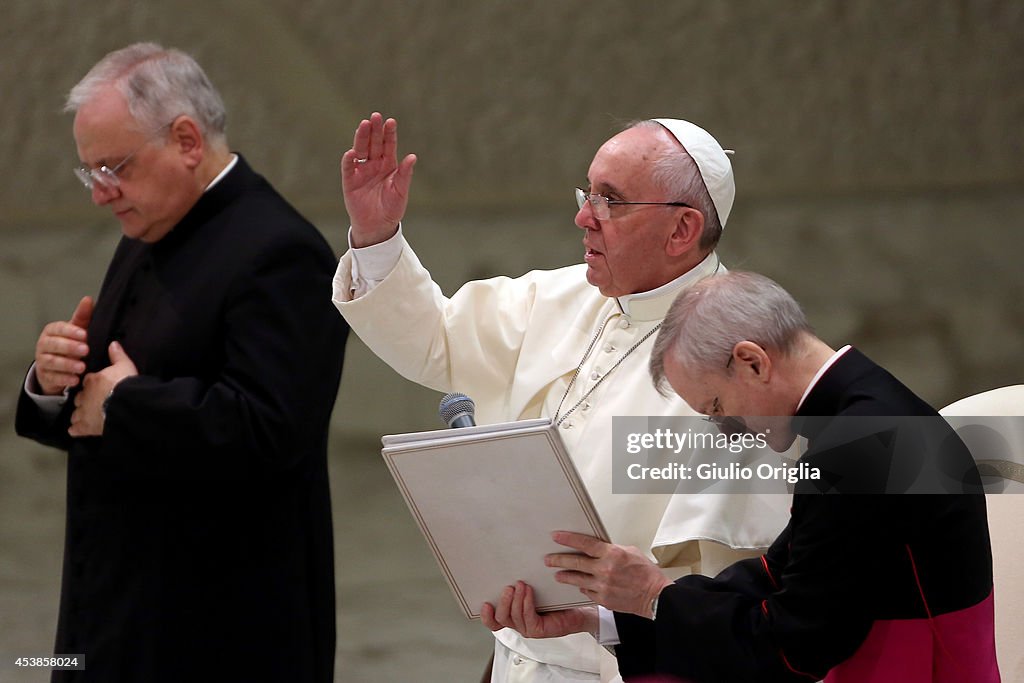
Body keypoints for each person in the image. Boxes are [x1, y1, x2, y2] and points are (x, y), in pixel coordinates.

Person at [332, 114, 790, 682]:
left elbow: (738, 574)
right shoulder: (554, 294)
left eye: (610, 201)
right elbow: (437, 340)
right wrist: (377, 236)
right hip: (514, 660)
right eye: (587, 193)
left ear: (681, 230)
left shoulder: (740, 359)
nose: (583, 217)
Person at [15, 43, 348, 683]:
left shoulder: (280, 251)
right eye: (89, 173)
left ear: (187, 140)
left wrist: (124, 403)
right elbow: (100, 408)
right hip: (115, 607)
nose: (100, 194)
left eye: (113, 166)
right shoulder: (150, 228)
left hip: (221, 629)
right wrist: (52, 383)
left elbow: (273, 428)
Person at [483, 271, 999, 682]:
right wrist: (610, 614)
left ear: (752, 362)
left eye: (717, 405)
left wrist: (655, 597)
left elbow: (791, 650)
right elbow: (779, 575)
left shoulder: (856, 445)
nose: (727, 430)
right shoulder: (867, 407)